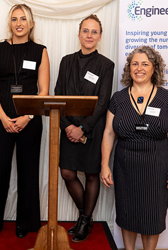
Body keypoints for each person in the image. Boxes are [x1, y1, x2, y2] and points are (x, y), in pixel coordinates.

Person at [100, 46, 168, 250]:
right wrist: (104, 165)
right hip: (125, 166)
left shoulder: (166, 97)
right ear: (129, 68)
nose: (139, 68)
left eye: (145, 64)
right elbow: (109, 133)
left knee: (152, 216)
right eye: (135, 64)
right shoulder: (118, 99)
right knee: (127, 213)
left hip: (157, 167)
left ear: (154, 68)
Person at [0, 4, 50, 238]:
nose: (19, 23)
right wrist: (3, 117)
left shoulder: (40, 51)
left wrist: (27, 117)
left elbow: (43, 90)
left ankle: (26, 222)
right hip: (1, 119)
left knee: (28, 171)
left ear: (31, 24)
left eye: (24, 19)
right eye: (15, 19)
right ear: (10, 23)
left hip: (30, 121)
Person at [54, 14, 114, 243]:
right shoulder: (66, 61)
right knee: (67, 173)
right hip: (68, 127)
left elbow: (102, 102)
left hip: (92, 129)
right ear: (79, 34)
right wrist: (68, 126)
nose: (89, 35)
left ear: (100, 36)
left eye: (94, 31)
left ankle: (85, 220)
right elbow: (58, 95)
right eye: (86, 31)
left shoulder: (106, 65)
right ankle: (85, 217)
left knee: (91, 174)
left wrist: (82, 128)